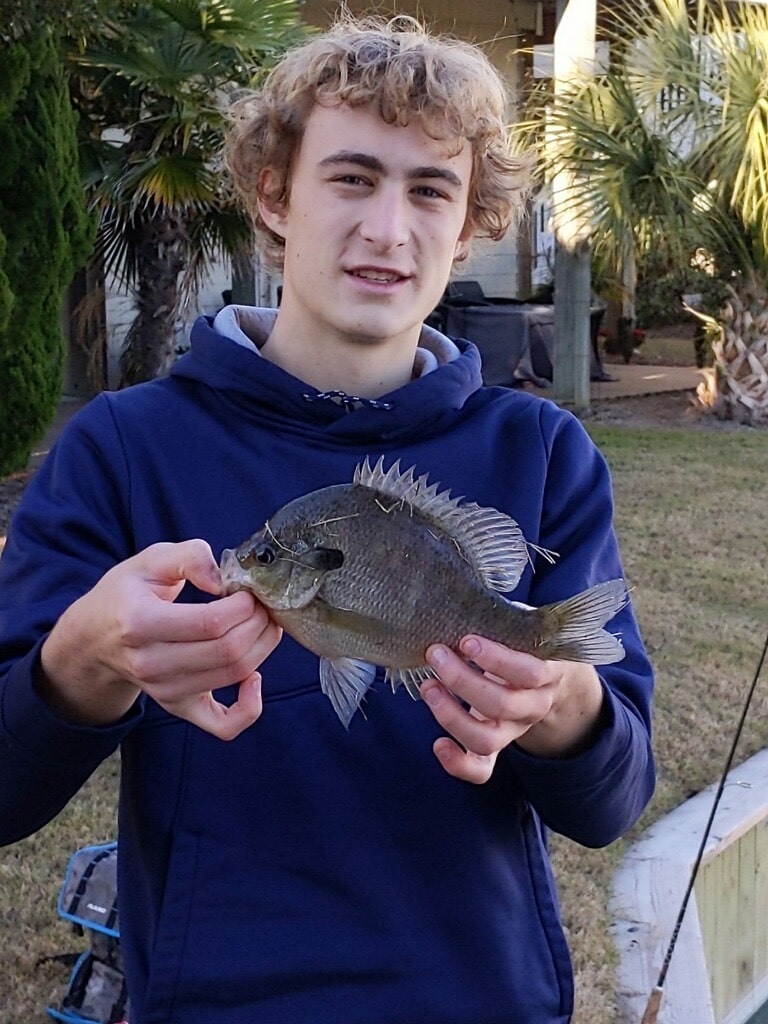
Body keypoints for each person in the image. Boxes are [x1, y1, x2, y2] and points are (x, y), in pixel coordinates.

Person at [0, 16, 654, 1024]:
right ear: (274, 194)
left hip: (478, 1000)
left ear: (468, 224)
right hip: (222, 1002)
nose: (388, 230)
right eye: (352, 179)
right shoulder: (124, 449)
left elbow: (612, 805)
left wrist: (564, 704)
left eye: (429, 190)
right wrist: (80, 663)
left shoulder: (542, 453)